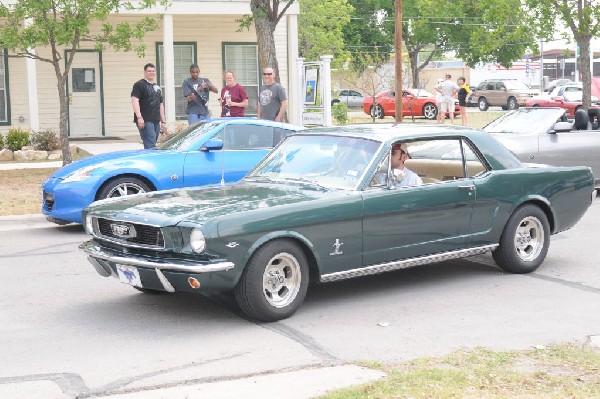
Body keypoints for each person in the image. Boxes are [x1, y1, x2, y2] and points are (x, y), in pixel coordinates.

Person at [131, 63, 166, 149]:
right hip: (145, 120)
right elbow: (134, 100)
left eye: (153, 71)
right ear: (145, 72)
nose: (151, 72)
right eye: (149, 71)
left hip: (156, 120)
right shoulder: (139, 85)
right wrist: (139, 117)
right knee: (150, 144)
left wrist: (163, 122)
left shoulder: (157, 87)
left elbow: (161, 104)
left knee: (153, 143)